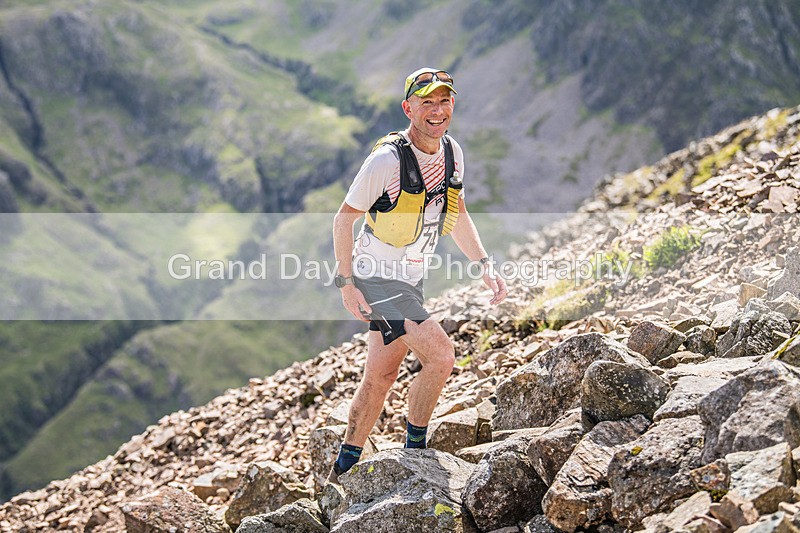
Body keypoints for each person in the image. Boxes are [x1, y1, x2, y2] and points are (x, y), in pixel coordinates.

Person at [329, 67, 507, 480]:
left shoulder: (452, 153)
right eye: (427, 101)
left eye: (444, 101)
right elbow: (343, 220)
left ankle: (342, 470)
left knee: (380, 377)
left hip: (410, 278)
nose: (437, 110)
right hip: (377, 278)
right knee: (441, 356)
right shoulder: (387, 160)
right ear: (408, 107)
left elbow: (457, 213)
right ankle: (416, 454)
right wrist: (347, 283)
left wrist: (484, 264)